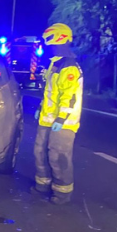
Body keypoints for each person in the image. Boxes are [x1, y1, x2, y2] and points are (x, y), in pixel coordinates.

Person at [32, 22, 82, 205]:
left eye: (50, 41)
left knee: (58, 157)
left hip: (64, 123)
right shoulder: (55, 65)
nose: (48, 46)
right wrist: (41, 107)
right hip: (48, 119)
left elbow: (69, 97)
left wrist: (61, 118)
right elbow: (50, 92)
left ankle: (62, 192)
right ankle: (43, 185)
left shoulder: (68, 67)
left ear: (60, 39)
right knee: (39, 152)